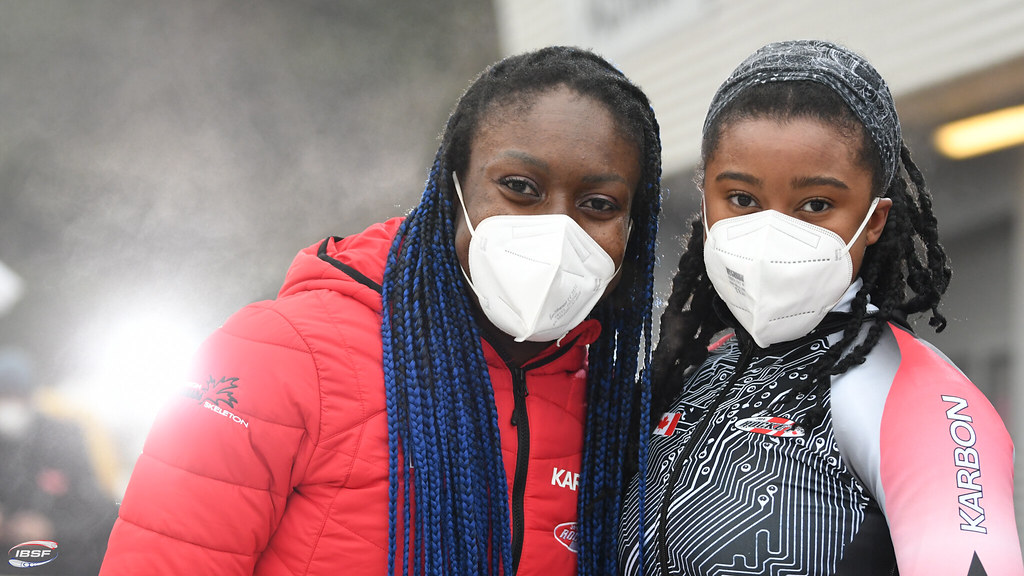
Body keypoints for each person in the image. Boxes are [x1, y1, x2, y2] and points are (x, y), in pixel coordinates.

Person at [100, 46, 662, 576]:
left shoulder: (611, 411)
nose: (556, 226)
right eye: (520, 187)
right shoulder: (279, 356)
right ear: (452, 191)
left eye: (598, 204)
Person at [618, 40, 1024, 576]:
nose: (773, 228)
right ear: (705, 201)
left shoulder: (916, 395)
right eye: (741, 198)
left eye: (816, 205)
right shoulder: (686, 371)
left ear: (875, 221)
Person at [0, 347, 117, 575]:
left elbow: (101, 510)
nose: (5, 403)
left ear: (30, 396)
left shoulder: (64, 438)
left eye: (11, 394)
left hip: (64, 559)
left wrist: (51, 527)